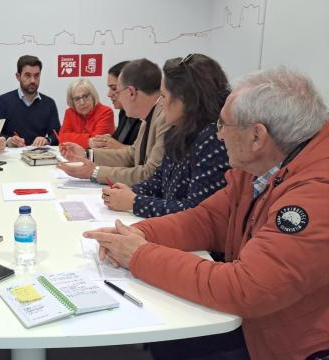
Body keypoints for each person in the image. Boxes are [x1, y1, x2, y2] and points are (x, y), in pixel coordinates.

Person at [84, 67, 329, 359]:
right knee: (172, 339)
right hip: (262, 326)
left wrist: (138, 255)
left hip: (294, 346)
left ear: (256, 136)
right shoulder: (261, 165)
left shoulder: (316, 194)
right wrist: (140, 233)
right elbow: (209, 219)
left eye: (223, 125)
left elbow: (246, 288)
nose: (219, 135)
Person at [102, 54, 230, 218]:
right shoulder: (177, 131)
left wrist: (135, 202)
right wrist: (128, 192)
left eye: (163, 96)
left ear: (185, 99)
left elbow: (197, 213)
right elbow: (159, 180)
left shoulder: (214, 140)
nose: (161, 103)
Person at [58, 58, 170, 186]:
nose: (111, 95)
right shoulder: (149, 115)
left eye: (116, 90)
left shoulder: (164, 118)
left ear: (131, 92)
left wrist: (94, 172)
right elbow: (132, 155)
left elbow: (150, 174)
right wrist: (86, 153)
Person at [0, 55, 60, 147]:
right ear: (18, 76)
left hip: (39, 156)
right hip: (10, 157)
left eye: (36, 76)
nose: (33, 80)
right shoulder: (3, 101)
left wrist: (47, 140)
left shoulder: (49, 103)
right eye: (28, 75)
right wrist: (8, 140)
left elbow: (57, 134)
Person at [88, 61, 142, 150]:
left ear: (131, 89)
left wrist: (118, 146)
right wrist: (106, 141)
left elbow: (144, 156)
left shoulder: (145, 116)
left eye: (114, 88)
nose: (109, 94)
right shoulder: (123, 112)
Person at [58, 78, 114, 148]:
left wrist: (72, 138)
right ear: (72, 101)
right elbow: (62, 138)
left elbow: (98, 142)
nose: (82, 102)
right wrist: (88, 141)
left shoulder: (106, 112)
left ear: (93, 96)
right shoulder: (70, 113)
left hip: (98, 157)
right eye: (77, 99)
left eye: (85, 96)